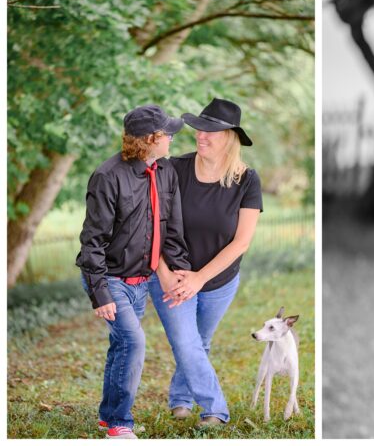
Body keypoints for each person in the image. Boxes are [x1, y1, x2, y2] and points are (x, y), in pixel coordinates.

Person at [77, 104, 190, 439]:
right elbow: (92, 241)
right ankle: (120, 423)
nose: (172, 138)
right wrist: (100, 292)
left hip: (143, 280)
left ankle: (107, 415)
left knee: (121, 345)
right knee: (134, 341)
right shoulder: (107, 176)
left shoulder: (165, 171)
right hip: (111, 278)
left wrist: (179, 270)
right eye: (167, 133)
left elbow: (172, 228)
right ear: (151, 139)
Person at [149, 98, 262, 427]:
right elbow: (150, 223)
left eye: (211, 131)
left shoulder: (247, 181)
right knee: (186, 341)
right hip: (170, 274)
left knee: (199, 341)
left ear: (230, 136)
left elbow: (242, 241)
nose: (201, 135)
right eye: (199, 128)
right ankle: (215, 409)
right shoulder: (173, 169)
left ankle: (181, 398)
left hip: (219, 281)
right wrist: (165, 273)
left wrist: (199, 278)